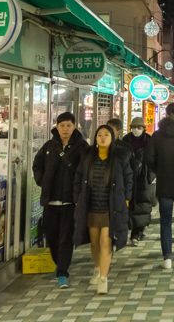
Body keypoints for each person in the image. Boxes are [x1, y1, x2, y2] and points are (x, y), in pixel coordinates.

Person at [74, 124, 133, 295]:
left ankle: (103, 278)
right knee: (94, 243)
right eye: (99, 134)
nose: (102, 137)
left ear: (112, 138)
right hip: (91, 205)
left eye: (106, 134)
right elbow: (78, 177)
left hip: (111, 207)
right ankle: (97, 267)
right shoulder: (87, 157)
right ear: (95, 138)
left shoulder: (120, 157)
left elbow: (129, 178)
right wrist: (77, 198)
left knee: (105, 241)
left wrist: (127, 198)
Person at [32, 111, 87, 289]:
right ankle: (59, 264)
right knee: (52, 235)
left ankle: (62, 272)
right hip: (50, 201)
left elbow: (85, 170)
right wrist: (42, 181)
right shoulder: (49, 146)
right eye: (62, 125)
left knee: (66, 238)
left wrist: (79, 192)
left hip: (70, 201)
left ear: (74, 126)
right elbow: (37, 164)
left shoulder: (81, 147)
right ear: (57, 126)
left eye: (68, 125)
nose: (65, 129)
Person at [145, 103, 174, 269]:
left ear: (166, 114)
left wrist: (158, 170)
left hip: (164, 182)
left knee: (165, 220)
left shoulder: (157, 135)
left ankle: (167, 257)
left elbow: (149, 158)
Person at [123, 117, 155, 244]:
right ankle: (133, 230)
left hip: (145, 178)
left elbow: (154, 159)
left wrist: (152, 176)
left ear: (143, 128)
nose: (136, 130)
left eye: (139, 127)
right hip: (129, 177)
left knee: (143, 205)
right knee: (130, 205)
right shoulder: (125, 140)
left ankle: (137, 232)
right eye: (134, 127)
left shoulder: (149, 140)